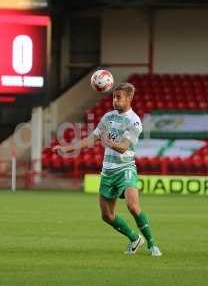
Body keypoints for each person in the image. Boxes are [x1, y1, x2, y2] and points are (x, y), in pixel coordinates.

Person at [54, 82, 162, 257]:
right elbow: (92, 138)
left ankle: (152, 244)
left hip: (125, 168)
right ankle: (135, 239)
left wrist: (107, 141)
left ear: (129, 98)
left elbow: (123, 147)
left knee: (133, 207)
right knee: (107, 216)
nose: (115, 100)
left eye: (118, 97)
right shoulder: (108, 117)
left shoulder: (134, 122)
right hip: (108, 171)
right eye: (113, 97)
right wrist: (67, 148)